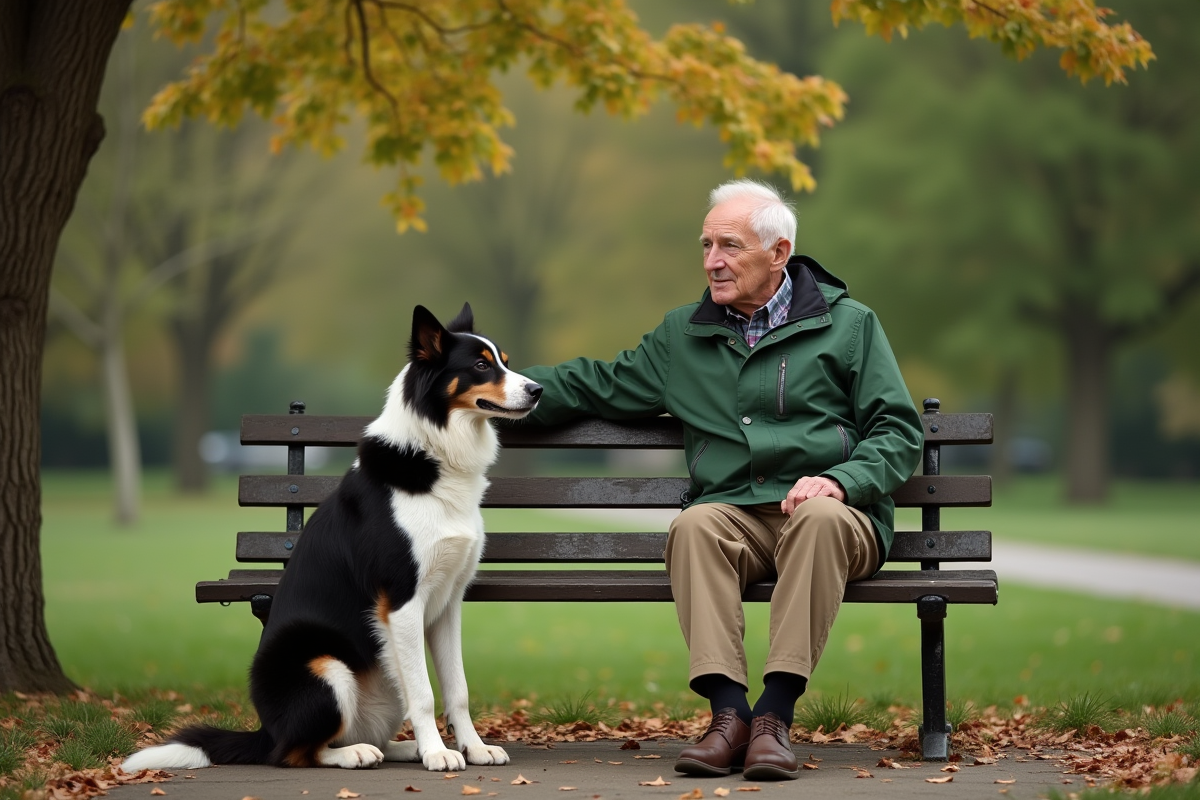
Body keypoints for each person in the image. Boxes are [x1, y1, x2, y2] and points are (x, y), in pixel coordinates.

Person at [519, 179, 922, 781]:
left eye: (729, 246)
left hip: (839, 520)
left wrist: (841, 481)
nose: (713, 261)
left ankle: (774, 718)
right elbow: (594, 383)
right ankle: (729, 717)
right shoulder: (683, 335)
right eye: (706, 245)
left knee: (816, 516)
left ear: (779, 252)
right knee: (696, 524)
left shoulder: (851, 325)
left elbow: (897, 428)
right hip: (738, 518)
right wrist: (484, 387)